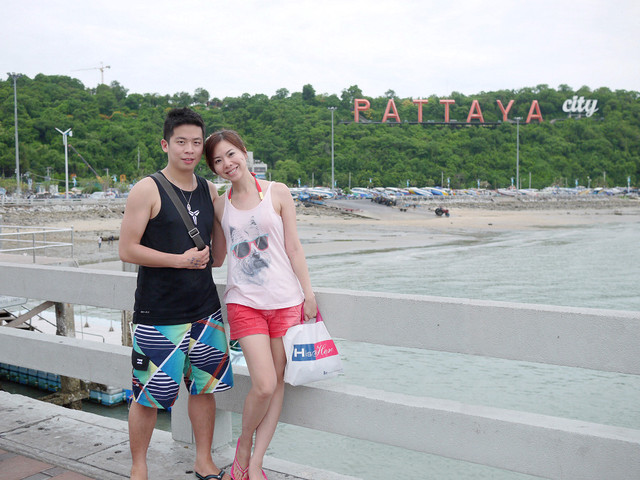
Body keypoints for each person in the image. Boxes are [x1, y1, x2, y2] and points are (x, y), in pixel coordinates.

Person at [119, 108, 233, 480]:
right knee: (148, 397)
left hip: (205, 310)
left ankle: (203, 459)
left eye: (196, 143)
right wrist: (178, 260)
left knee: (204, 390)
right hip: (159, 313)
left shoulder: (208, 189)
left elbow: (216, 256)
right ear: (166, 144)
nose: (189, 150)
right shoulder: (146, 188)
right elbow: (127, 249)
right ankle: (139, 467)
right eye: (181, 142)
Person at [204, 130, 316, 480]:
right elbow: (219, 257)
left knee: (278, 383)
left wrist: (308, 293)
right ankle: (244, 443)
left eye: (231, 154)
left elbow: (294, 247)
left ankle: (254, 464)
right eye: (218, 161)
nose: (227, 164)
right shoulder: (220, 205)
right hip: (245, 303)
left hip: (286, 302)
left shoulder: (277, 192)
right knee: (264, 384)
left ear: (245, 152)